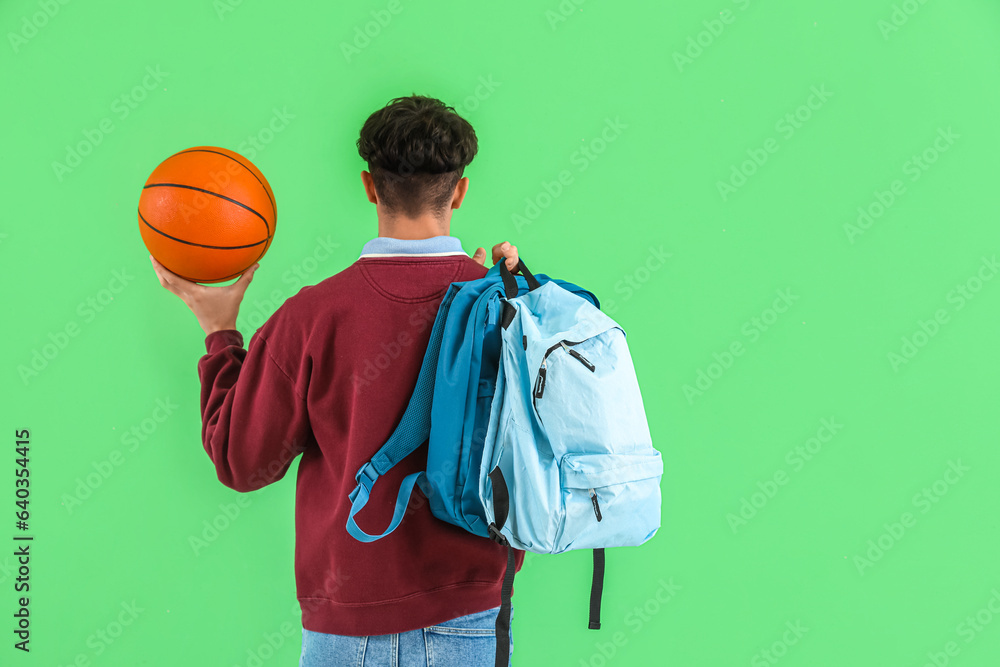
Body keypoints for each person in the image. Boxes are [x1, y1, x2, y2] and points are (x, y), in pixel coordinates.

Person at [150, 94, 525, 666]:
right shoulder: (504, 304)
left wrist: (220, 329)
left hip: (343, 628)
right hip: (468, 614)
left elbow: (242, 461)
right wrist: (490, 294)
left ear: (370, 187)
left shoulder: (311, 317)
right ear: (460, 190)